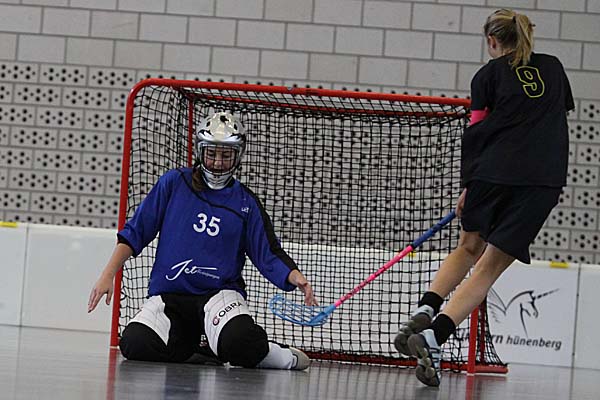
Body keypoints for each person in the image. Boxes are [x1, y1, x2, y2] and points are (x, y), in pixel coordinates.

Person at [394, 9, 574, 386]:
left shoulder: (486, 75)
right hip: (540, 180)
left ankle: (426, 307)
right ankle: (433, 336)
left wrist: (469, 185)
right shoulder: (554, 68)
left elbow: (476, 132)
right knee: (488, 268)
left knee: (467, 247)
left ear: (492, 40)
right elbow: (554, 120)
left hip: (490, 173)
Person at [88, 112, 318, 370]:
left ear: (238, 155)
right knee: (135, 344)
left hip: (218, 296)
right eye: (211, 153)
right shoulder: (174, 183)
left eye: (226, 155)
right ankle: (196, 351)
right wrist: (107, 275)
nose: (218, 162)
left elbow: (268, 253)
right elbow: (136, 231)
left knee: (239, 342)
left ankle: (279, 355)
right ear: (200, 151)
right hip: (170, 296)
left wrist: (295, 276)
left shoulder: (245, 203)